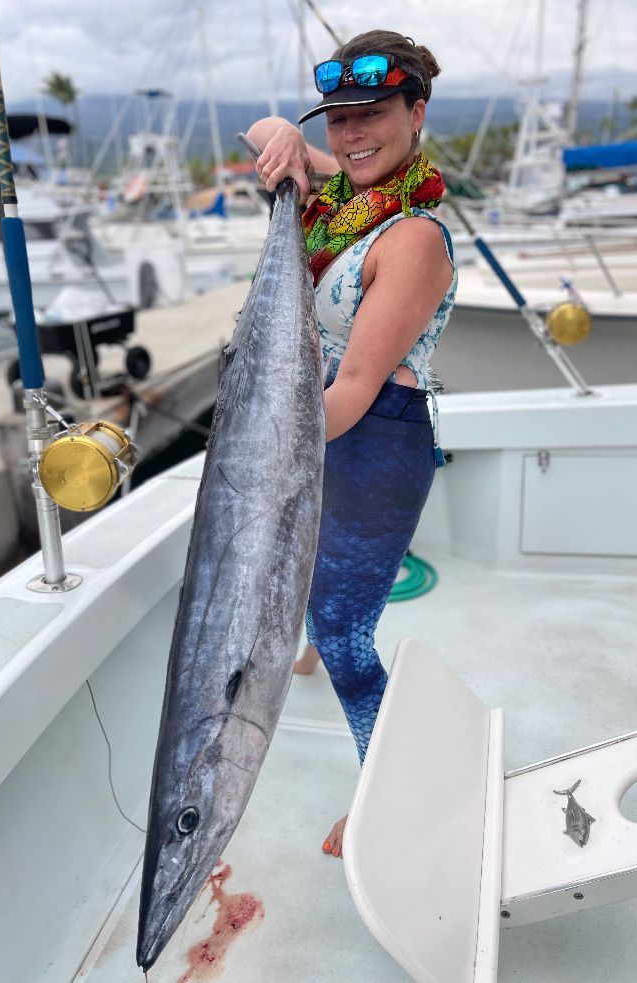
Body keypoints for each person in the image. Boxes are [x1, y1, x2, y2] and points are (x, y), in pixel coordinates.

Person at [246, 30, 457, 859]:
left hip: (375, 437)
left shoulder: (410, 239)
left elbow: (354, 392)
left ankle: (387, 791)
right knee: (309, 574)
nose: (352, 133)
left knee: (342, 630)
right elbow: (264, 134)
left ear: (417, 113)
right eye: (337, 119)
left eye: (371, 114)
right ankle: (309, 645)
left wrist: (263, 448)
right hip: (319, 422)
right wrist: (292, 138)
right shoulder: (351, 189)